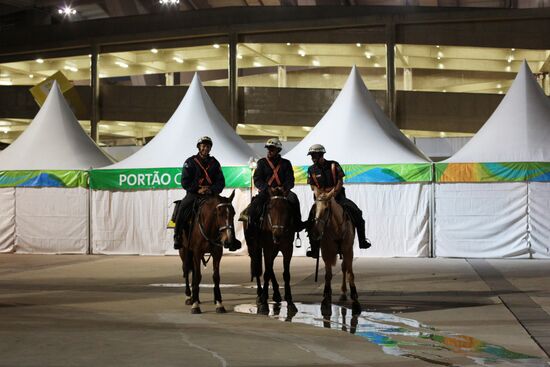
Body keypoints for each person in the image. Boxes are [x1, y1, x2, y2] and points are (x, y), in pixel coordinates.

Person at [174, 136, 240, 251]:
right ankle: (177, 236)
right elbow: (185, 181)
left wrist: (211, 190)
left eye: (208, 146)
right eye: (203, 146)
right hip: (194, 194)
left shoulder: (214, 163)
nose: (205, 148)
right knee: (183, 207)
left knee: (226, 210)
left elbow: (220, 181)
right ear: (199, 147)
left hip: (211, 194)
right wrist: (197, 189)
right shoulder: (190, 162)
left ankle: (231, 239)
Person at [305, 144, 371, 258]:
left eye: (314, 155)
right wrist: (320, 196)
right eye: (311, 155)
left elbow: (340, 182)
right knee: (311, 220)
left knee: (357, 212)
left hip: (338, 196)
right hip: (320, 198)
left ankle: (362, 241)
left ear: (321, 154)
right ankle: (314, 248)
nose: (312, 157)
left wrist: (332, 194)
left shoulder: (334, 165)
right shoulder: (311, 169)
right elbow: (313, 186)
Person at [246, 137, 305, 239]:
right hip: (266, 192)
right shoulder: (261, 162)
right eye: (268, 148)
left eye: (272, 148)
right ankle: (251, 230)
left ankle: (297, 224)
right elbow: (257, 179)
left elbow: (290, 180)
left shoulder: (286, 163)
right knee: (253, 206)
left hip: (283, 192)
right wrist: (267, 188)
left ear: (278, 150)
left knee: (294, 199)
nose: (269, 150)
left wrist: (284, 188)